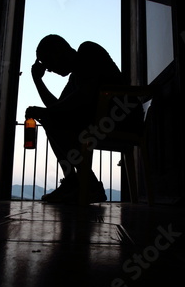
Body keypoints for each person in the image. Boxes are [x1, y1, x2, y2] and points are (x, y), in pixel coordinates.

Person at [25, 34, 142, 204]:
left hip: (123, 119)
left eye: (49, 63)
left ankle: (86, 184)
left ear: (60, 51)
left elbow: (81, 97)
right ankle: (77, 182)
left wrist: (44, 113)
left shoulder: (88, 51)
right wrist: (37, 81)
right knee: (51, 118)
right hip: (102, 123)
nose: (50, 70)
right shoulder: (74, 77)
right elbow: (57, 108)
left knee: (51, 118)